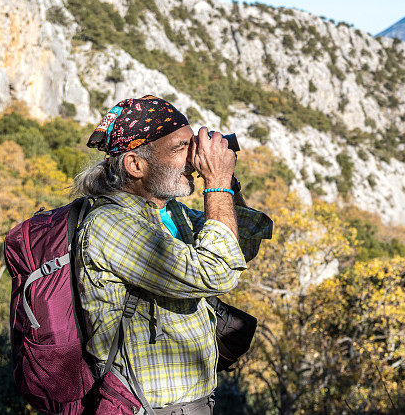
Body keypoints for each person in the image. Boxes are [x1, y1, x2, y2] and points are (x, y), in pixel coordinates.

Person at [71, 95, 272, 414]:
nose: (192, 158)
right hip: (147, 408)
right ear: (135, 164)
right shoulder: (110, 225)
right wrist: (215, 182)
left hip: (191, 404)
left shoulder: (169, 213)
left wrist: (225, 179)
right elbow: (220, 272)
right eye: (181, 148)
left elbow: (243, 242)